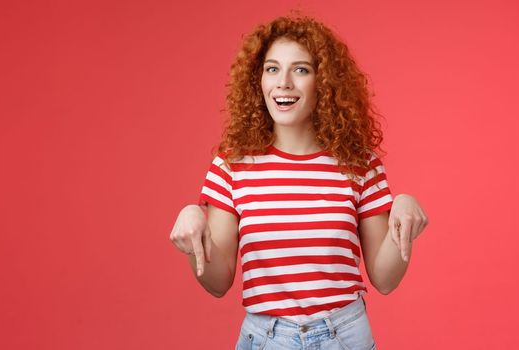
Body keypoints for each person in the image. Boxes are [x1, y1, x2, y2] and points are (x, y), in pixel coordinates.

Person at [168, 15, 429, 350]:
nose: (284, 82)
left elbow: (386, 278)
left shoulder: (360, 165)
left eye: (301, 69)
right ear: (257, 80)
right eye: (273, 69)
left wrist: (403, 213)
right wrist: (194, 228)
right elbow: (218, 282)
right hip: (265, 339)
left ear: (324, 82)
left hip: (344, 337)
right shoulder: (232, 166)